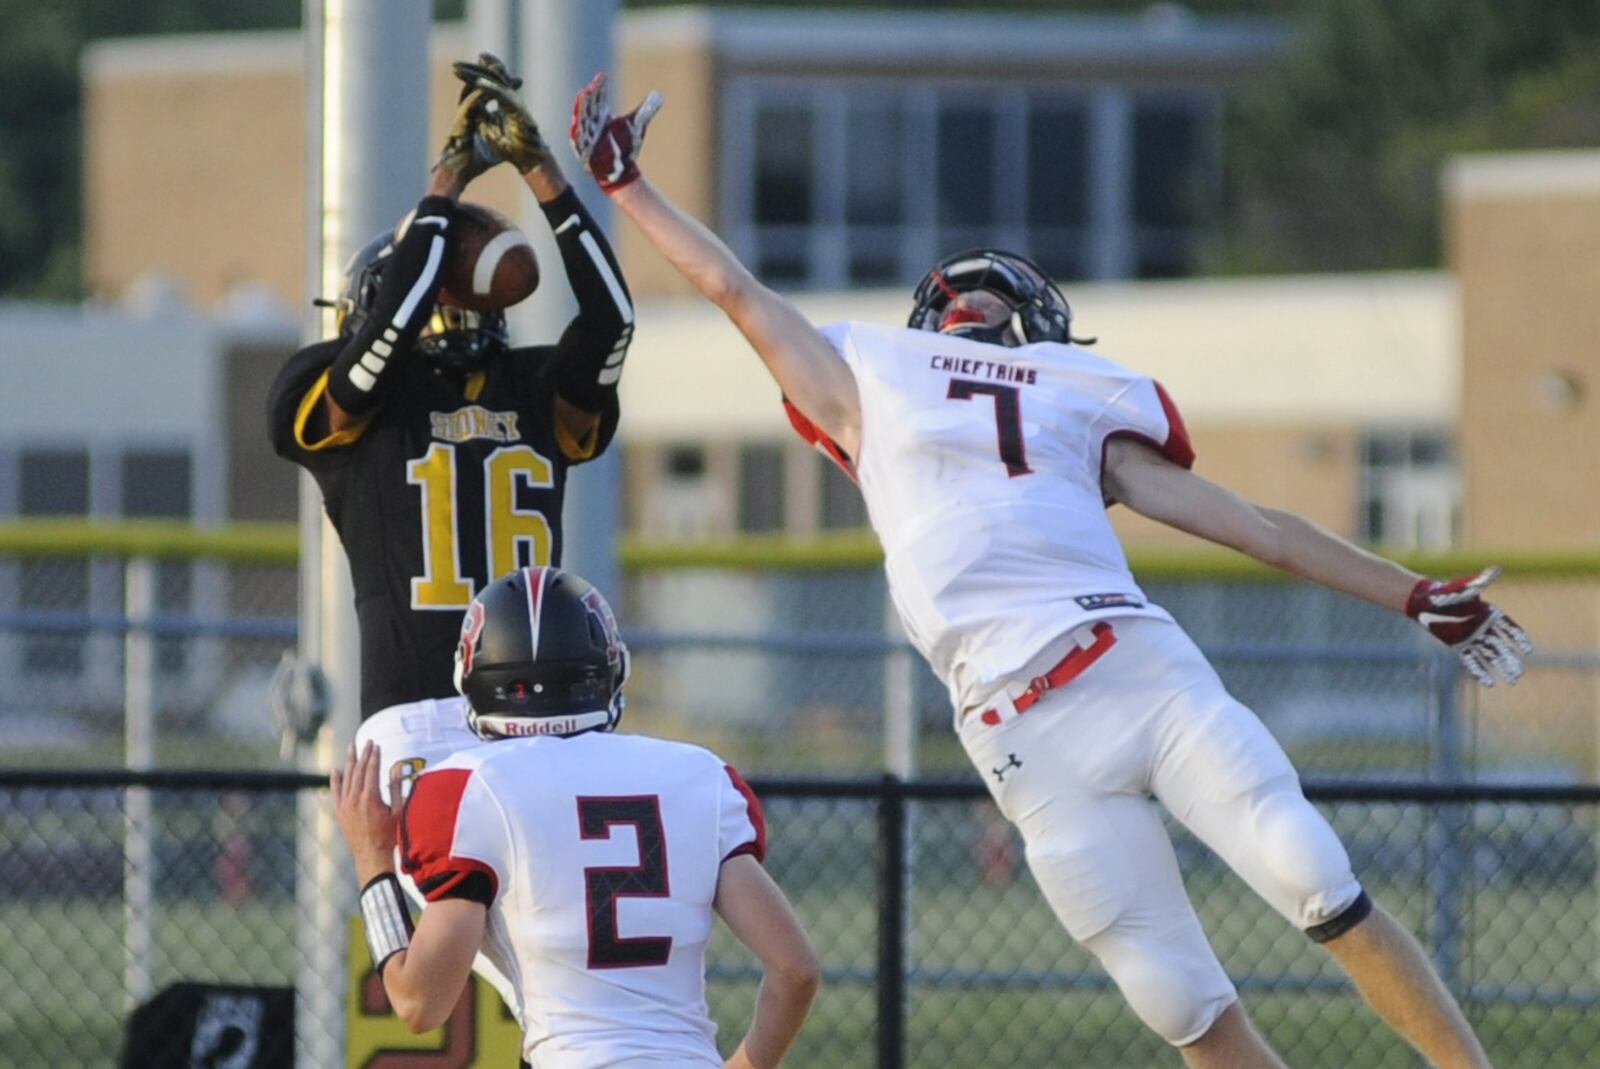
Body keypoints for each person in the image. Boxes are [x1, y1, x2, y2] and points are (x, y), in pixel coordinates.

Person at [539, 72, 1534, 1069]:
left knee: (1307, 870)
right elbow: (734, 292)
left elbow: (1253, 526)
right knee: (1178, 997)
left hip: (1132, 670)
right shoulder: (903, 387)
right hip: (1020, 728)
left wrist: (1409, 591)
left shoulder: (1001, 392)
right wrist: (626, 190)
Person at [267, 54, 634, 764]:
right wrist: (447, 184)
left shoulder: (532, 386)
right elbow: (380, 348)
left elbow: (613, 319)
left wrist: (544, 174)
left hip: (536, 710)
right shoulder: (353, 400)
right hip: (423, 719)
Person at [331, 566, 821, 1069]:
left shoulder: (470, 787)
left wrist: (373, 862)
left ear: (472, 677)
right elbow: (796, 970)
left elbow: (418, 1003)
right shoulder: (699, 776)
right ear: (608, 671)